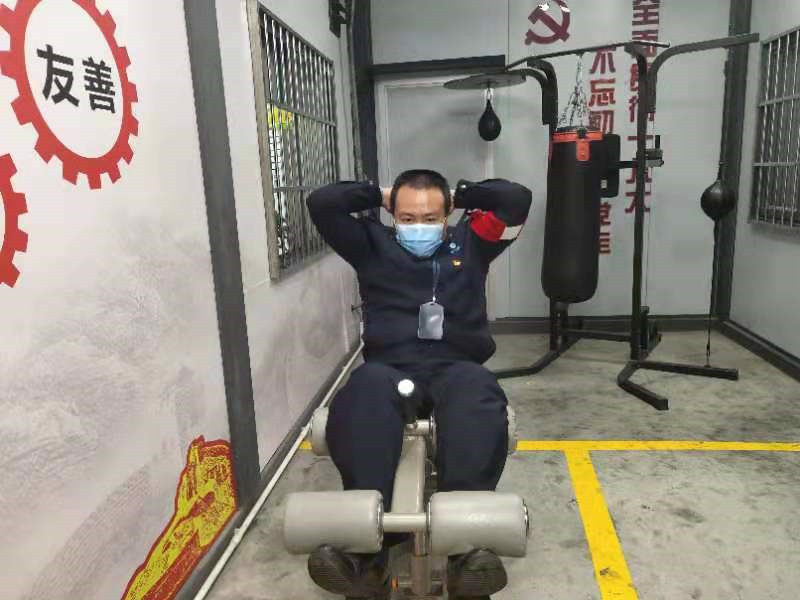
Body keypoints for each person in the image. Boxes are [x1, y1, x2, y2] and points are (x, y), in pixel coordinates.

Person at [305, 170, 532, 600]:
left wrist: (462, 193)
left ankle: (466, 554)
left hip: (456, 366)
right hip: (391, 369)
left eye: (430, 218)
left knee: (477, 394)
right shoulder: (369, 244)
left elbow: (515, 198)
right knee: (363, 394)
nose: (418, 227)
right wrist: (379, 193)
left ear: (448, 215)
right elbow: (322, 203)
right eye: (407, 218)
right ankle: (366, 557)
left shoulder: (475, 241)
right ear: (392, 216)